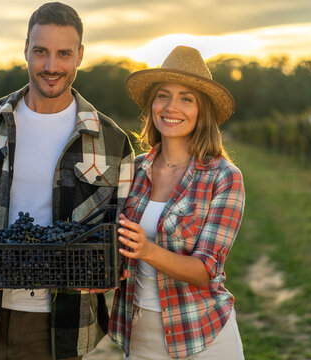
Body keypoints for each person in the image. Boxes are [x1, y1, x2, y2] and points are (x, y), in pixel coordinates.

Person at [0, 2, 134, 359]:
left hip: (63, 323)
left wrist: (114, 270)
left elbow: (122, 232)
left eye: (63, 53)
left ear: (80, 55)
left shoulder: (111, 140)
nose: (51, 66)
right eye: (41, 52)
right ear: (25, 50)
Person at [108, 45, 246, 359]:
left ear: (202, 112)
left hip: (202, 334)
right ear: (152, 104)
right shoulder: (134, 170)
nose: (172, 107)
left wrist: (147, 250)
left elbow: (205, 270)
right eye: (163, 95)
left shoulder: (224, 177)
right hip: (140, 334)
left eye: (187, 98)